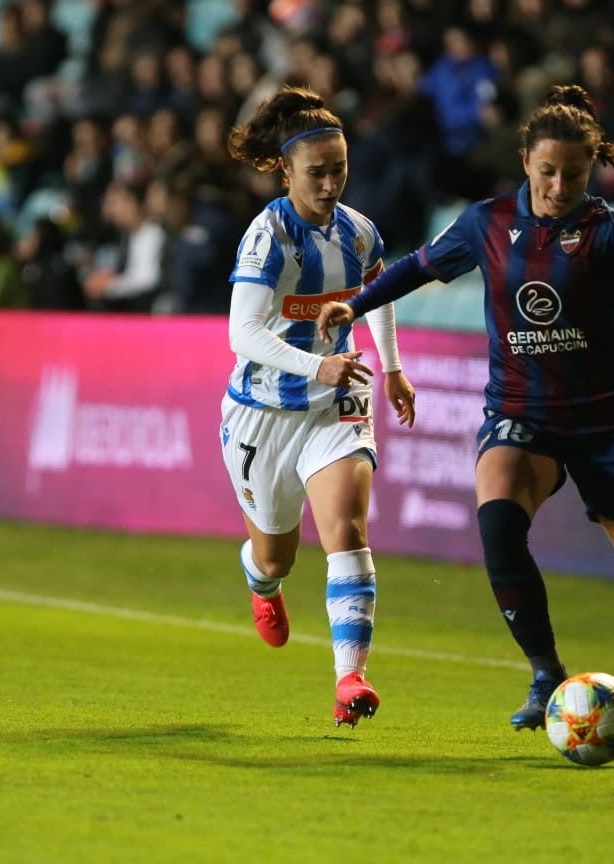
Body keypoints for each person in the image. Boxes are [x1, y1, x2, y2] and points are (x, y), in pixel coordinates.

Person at [316, 85, 614, 752]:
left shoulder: (609, 233)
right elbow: (417, 267)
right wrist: (355, 307)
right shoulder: (487, 223)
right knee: (497, 523)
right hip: (520, 414)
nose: (560, 186)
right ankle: (544, 671)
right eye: (548, 171)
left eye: (575, 175)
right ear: (526, 160)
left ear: (592, 170)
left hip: (602, 422)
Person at [220, 85, 417, 728]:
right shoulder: (267, 237)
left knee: (348, 531)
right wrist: (315, 362)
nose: (331, 183)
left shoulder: (358, 232)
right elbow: (242, 335)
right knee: (278, 554)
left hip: (337, 400)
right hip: (264, 411)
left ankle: (349, 678)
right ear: (286, 170)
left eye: (339, 169)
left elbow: (380, 292)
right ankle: (262, 583)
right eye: (317, 172)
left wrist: (389, 367)